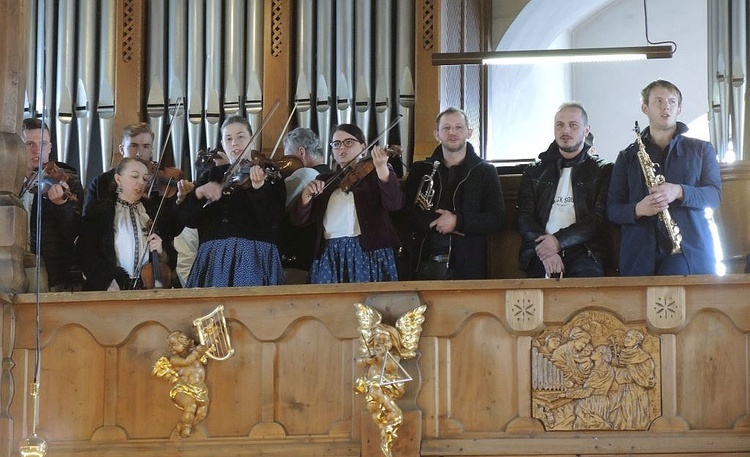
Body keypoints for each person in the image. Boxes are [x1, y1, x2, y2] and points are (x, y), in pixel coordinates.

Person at [607, 79, 722, 276]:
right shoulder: (627, 157)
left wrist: (678, 191)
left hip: (688, 251)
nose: (665, 107)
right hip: (639, 255)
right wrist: (638, 209)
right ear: (645, 108)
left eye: (671, 102)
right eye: (658, 101)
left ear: (679, 109)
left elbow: (713, 196)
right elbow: (613, 210)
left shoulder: (702, 150)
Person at [177, 115, 286, 287]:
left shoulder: (269, 172)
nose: (234, 143)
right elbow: (187, 220)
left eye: (240, 137)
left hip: (253, 255)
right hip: (212, 256)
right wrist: (198, 192)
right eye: (229, 139)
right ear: (223, 143)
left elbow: (273, 220)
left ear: (252, 140)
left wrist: (259, 189)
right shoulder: (212, 175)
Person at [290, 124, 404, 284]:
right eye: (336, 144)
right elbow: (299, 220)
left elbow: (394, 203)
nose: (342, 147)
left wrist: (382, 169)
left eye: (349, 142)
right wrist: (306, 196)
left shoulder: (376, 174)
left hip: (369, 252)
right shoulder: (324, 180)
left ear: (363, 147)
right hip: (330, 252)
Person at [403, 107, 504, 280]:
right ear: (437, 134)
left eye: (458, 127)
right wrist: (434, 222)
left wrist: (458, 221)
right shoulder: (420, 170)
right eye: (446, 128)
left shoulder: (485, 171)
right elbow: (404, 215)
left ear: (469, 132)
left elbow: (496, 219)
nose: (452, 132)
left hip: (468, 264)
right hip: (425, 261)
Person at [517, 102, 613, 278]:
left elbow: (598, 219)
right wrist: (547, 250)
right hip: (540, 249)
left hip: (585, 250)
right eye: (559, 125)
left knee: (586, 297)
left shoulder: (602, 170)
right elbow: (524, 217)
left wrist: (558, 241)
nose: (565, 130)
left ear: (586, 130)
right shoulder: (534, 171)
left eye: (573, 125)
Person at [78, 157, 174, 290]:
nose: (141, 182)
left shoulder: (153, 211)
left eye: (145, 179)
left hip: (148, 287)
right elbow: (87, 252)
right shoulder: (100, 211)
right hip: (112, 287)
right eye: (135, 176)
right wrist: (106, 281)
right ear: (118, 179)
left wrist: (161, 251)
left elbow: (171, 255)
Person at [19, 118, 84, 291]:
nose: (37, 150)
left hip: (48, 267)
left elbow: (76, 233)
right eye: (29, 144)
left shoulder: (68, 180)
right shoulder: (7, 180)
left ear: (50, 147)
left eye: (43, 144)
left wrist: (61, 206)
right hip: (9, 262)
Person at [279, 128, 333, 282]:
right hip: (320, 258)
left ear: (301, 152)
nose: (283, 163)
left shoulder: (304, 175)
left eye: (287, 155)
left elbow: (277, 206)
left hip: (297, 258)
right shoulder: (333, 176)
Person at [84, 122, 155, 216]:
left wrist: (179, 201)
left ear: (151, 152)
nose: (139, 153)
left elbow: (171, 226)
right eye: (133, 146)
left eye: (146, 146)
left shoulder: (157, 187)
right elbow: (89, 223)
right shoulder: (101, 182)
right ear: (121, 149)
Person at [152, 331, 210, 438]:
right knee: (190, 406)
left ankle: (184, 425)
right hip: (182, 389)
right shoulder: (175, 360)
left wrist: (210, 337)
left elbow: (207, 345)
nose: (170, 348)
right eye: (169, 345)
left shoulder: (195, 353)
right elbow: (187, 361)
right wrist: (197, 352)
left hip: (200, 389)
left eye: (174, 344)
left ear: (185, 343)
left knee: (201, 414)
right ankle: (186, 430)